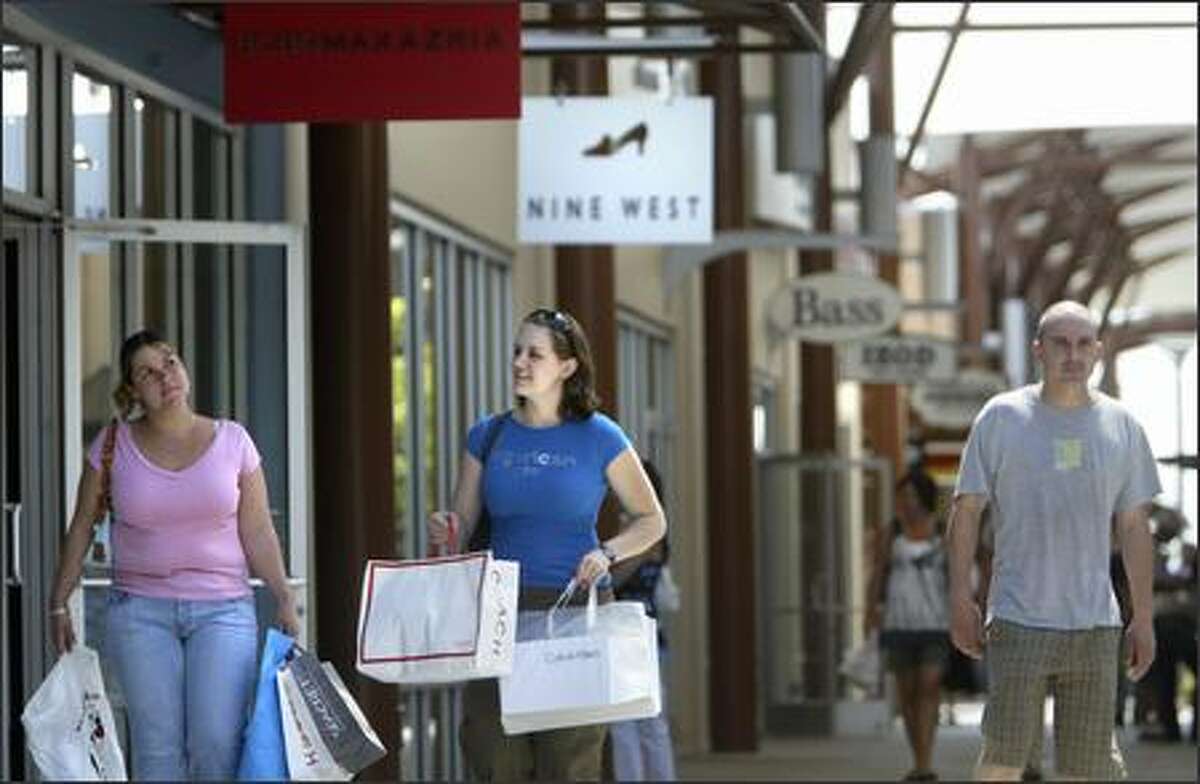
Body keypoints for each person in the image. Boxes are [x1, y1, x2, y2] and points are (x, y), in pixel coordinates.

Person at [47, 329, 300, 780]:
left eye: (169, 362)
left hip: (223, 609)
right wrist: (58, 601)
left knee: (216, 745)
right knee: (157, 750)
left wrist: (283, 595)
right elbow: (82, 524)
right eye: (147, 372)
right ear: (133, 392)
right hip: (140, 612)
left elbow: (258, 529)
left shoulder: (233, 440)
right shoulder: (112, 446)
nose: (165, 376)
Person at [427, 307, 667, 781]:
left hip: (574, 610)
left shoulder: (599, 436)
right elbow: (463, 523)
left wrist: (608, 553)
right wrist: (447, 527)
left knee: (569, 762)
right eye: (517, 351)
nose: (520, 361)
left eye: (534, 354)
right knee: (496, 758)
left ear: (567, 367)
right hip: (498, 614)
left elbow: (652, 520)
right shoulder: (489, 435)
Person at [947, 300, 1160, 781]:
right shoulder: (1001, 417)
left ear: (1098, 352)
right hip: (1019, 618)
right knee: (1002, 762)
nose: (1073, 354)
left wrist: (1141, 617)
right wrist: (960, 598)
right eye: (1061, 343)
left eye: (1084, 343)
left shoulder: (1121, 425)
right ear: (1039, 350)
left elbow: (1133, 527)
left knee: (1088, 771)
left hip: (1095, 626)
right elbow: (966, 512)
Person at [864, 469, 950, 782]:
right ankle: (918, 758)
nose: (906, 502)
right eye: (903, 496)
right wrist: (871, 608)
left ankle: (926, 761)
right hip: (899, 621)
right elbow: (879, 571)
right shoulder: (893, 531)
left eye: (912, 495)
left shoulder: (942, 531)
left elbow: (955, 576)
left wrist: (964, 609)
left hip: (935, 621)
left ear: (925, 497)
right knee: (907, 694)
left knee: (928, 686)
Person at [609, 457, 678, 781]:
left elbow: (616, 579)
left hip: (632, 636)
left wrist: (605, 559)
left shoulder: (645, 532)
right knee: (650, 722)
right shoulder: (657, 531)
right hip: (648, 634)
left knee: (629, 721)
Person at [1141, 503, 1197, 743]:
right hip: (1165, 620)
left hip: (1183, 621)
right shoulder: (1151, 548)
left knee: (1168, 675)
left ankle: (1177, 728)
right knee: (1164, 676)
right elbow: (1155, 580)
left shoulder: (1182, 551)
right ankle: (1169, 727)